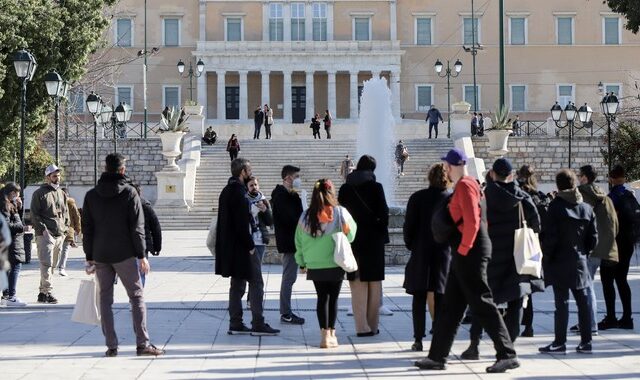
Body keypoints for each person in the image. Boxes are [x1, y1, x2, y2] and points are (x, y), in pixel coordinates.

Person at [414, 148, 519, 373]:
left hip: (469, 250)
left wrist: (463, 250)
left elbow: (472, 220)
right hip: (469, 249)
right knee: (451, 308)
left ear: (453, 166)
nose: (446, 171)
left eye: (447, 166)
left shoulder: (464, 185)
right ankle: (437, 357)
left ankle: (507, 353)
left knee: (482, 302)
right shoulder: (471, 183)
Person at [82, 153, 165, 357]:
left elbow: (88, 229)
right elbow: (137, 228)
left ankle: (111, 345)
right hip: (125, 254)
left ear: (105, 167)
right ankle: (142, 344)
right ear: (122, 170)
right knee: (136, 297)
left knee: (105, 300)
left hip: (101, 254)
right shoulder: (129, 193)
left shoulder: (91, 195)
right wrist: (142, 255)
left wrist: (89, 256)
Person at [462, 158, 540, 360]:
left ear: (493, 174)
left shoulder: (484, 197)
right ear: (511, 175)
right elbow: (537, 225)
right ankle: (508, 346)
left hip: (490, 256)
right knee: (516, 302)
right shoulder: (522, 197)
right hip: (517, 257)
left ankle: (474, 345)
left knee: (483, 302)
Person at [216, 158, 280, 336]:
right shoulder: (238, 192)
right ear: (242, 172)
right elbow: (240, 222)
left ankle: (235, 323)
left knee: (237, 285)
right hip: (245, 246)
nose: (251, 172)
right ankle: (258, 324)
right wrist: (250, 245)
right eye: (249, 170)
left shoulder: (228, 190)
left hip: (234, 247)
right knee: (256, 283)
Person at [539, 169, 597, 354]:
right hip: (579, 260)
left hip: (559, 261)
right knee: (583, 303)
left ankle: (559, 342)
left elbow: (550, 238)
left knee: (561, 304)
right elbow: (593, 239)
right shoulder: (586, 208)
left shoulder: (556, 207)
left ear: (558, 185)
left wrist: (546, 257)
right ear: (574, 184)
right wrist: (582, 252)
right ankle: (586, 342)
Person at [295, 179, 357, 348]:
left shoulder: (305, 215)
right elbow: (351, 235)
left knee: (322, 298)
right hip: (335, 262)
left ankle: (323, 335)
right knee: (333, 298)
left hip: (315, 264)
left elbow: (298, 241)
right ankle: (332, 333)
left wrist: (301, 262)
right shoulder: (340, 212)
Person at [338, 155, 389, 337]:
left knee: (357, 284)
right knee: (374, 285)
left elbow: (341, 214)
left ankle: (361, 327)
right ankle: (373, 326)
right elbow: (384, 214)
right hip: (374, 242)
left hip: (353, 242)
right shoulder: (376, 187)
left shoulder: (345, 188)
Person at [403, 163, 452, 352]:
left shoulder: (417, 198)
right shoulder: (450, 199)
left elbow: (409, 227)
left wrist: (412, 245)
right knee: (440, 297)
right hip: (443, 252)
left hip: (421, 251)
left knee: (418, 296)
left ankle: (418, 338)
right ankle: (437, 336)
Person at [572, 165, 618, 336]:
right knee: (587, 284)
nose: (578, 178)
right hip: (602, 247)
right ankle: (585, 321)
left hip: (588, 247)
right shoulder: (605, 196)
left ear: (584, 178)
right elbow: (615, 223)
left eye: (579, 175)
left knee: (586, 286)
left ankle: (589, 324)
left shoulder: (581, 194)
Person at [599, 164, 638, 330]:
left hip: (613, 245)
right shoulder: (630, 196)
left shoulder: (612, 197)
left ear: (611, 178)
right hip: (628, 245)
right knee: (622, 280)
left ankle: (611, 316)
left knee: (607, 280)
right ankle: (627, 317)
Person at [516, 165, 550, 337]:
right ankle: (528, 325)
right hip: (535, 245)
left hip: (518, 243)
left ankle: (516, 323)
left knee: (517, 285)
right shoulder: (540, 197)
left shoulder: (518, 197)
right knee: (528, 286)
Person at [271, 165, 306, 325]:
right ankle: (286, 313)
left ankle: (286, 311)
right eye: (296, 176)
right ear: (288, 177)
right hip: (289, 241)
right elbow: (290, 219)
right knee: (289, 277)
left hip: (294, 240)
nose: (298, 179)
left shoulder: (291, 195)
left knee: (290, 277)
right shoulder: (280, 196)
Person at [30, 164, 69, 304]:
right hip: (45, 235)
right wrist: (43, 230)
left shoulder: (61, 193)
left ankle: (42, 293)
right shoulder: (39, 193)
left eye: (58, 175)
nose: (57, 178)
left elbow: (66, 213)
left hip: (59, 235)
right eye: (54, 176)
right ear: (47, 177)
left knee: (52, 266)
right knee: (46, 265)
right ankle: (49, 292)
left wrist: (65, 230)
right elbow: (34, 214)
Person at [1, 182, 27, 307]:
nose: (18, 196)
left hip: (9, 241)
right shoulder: (5, 204)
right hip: (11, 241)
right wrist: (21, 228)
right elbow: (7, 225)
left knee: (8, 268)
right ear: (11, 193)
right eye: (16, 193)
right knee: (16, 266)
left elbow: (16, 218)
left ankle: (6, 295)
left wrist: (20, 208)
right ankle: (11, 296)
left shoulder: (9, 203)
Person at [132, 183, 162, 287]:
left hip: (127, 247)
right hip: (142, 246)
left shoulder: (123, 206)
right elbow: (156, 228)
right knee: (141, 272)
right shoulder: (146, 206)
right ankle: (138, 296)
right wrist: (157, 247)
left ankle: (135, 295)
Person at [56, 188, 81, 277]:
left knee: (64, 249)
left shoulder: (70, 203)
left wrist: (78, 229)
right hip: (58, 228)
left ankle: (61, 267)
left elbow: (77, 216)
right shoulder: (57, 203)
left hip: (68, 228)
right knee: (60, 249)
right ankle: (60, 267)